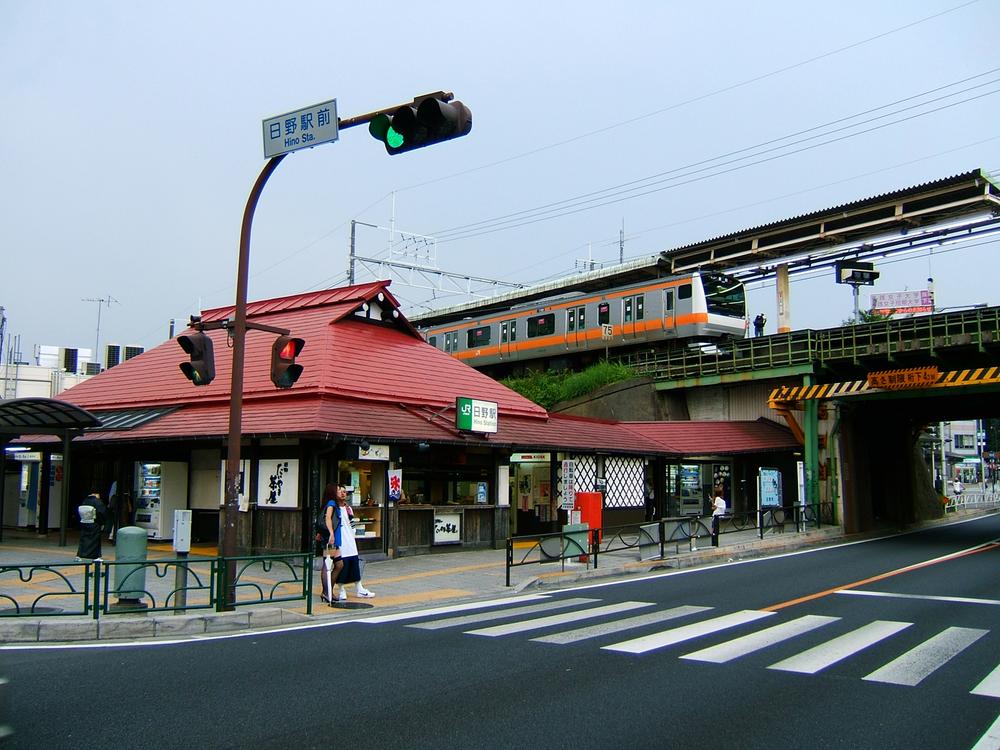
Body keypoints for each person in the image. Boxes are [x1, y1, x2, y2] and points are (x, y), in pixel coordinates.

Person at [331, 484, 375, 601]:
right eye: (340, 491)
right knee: (342, 564)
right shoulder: (332, 508)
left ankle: (359, 588)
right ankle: (341, 589)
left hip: (350, 538)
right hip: (339, 539)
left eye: (344, 491)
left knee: (354, 562)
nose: (343, 493)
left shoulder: (348, 508)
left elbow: (351, 523)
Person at [318, 484, 343, 604]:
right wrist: (331, 534)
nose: (340, 491)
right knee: (328, 565)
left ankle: (328, 590)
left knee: (339, 565)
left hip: (333, 539)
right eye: (338, 490)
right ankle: (326, 592)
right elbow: (328, 518)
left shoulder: (331, 503)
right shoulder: (332, 503)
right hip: (331, 539)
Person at [75, 491, 108, 561]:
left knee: (83, 539)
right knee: (95, 540)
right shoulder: (97, 502)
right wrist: (102, 522)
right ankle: (95, 556)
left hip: (84, 522)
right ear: (96, 494)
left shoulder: (85, 501)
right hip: (94, 523)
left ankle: (80, 555)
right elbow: (102, 512)